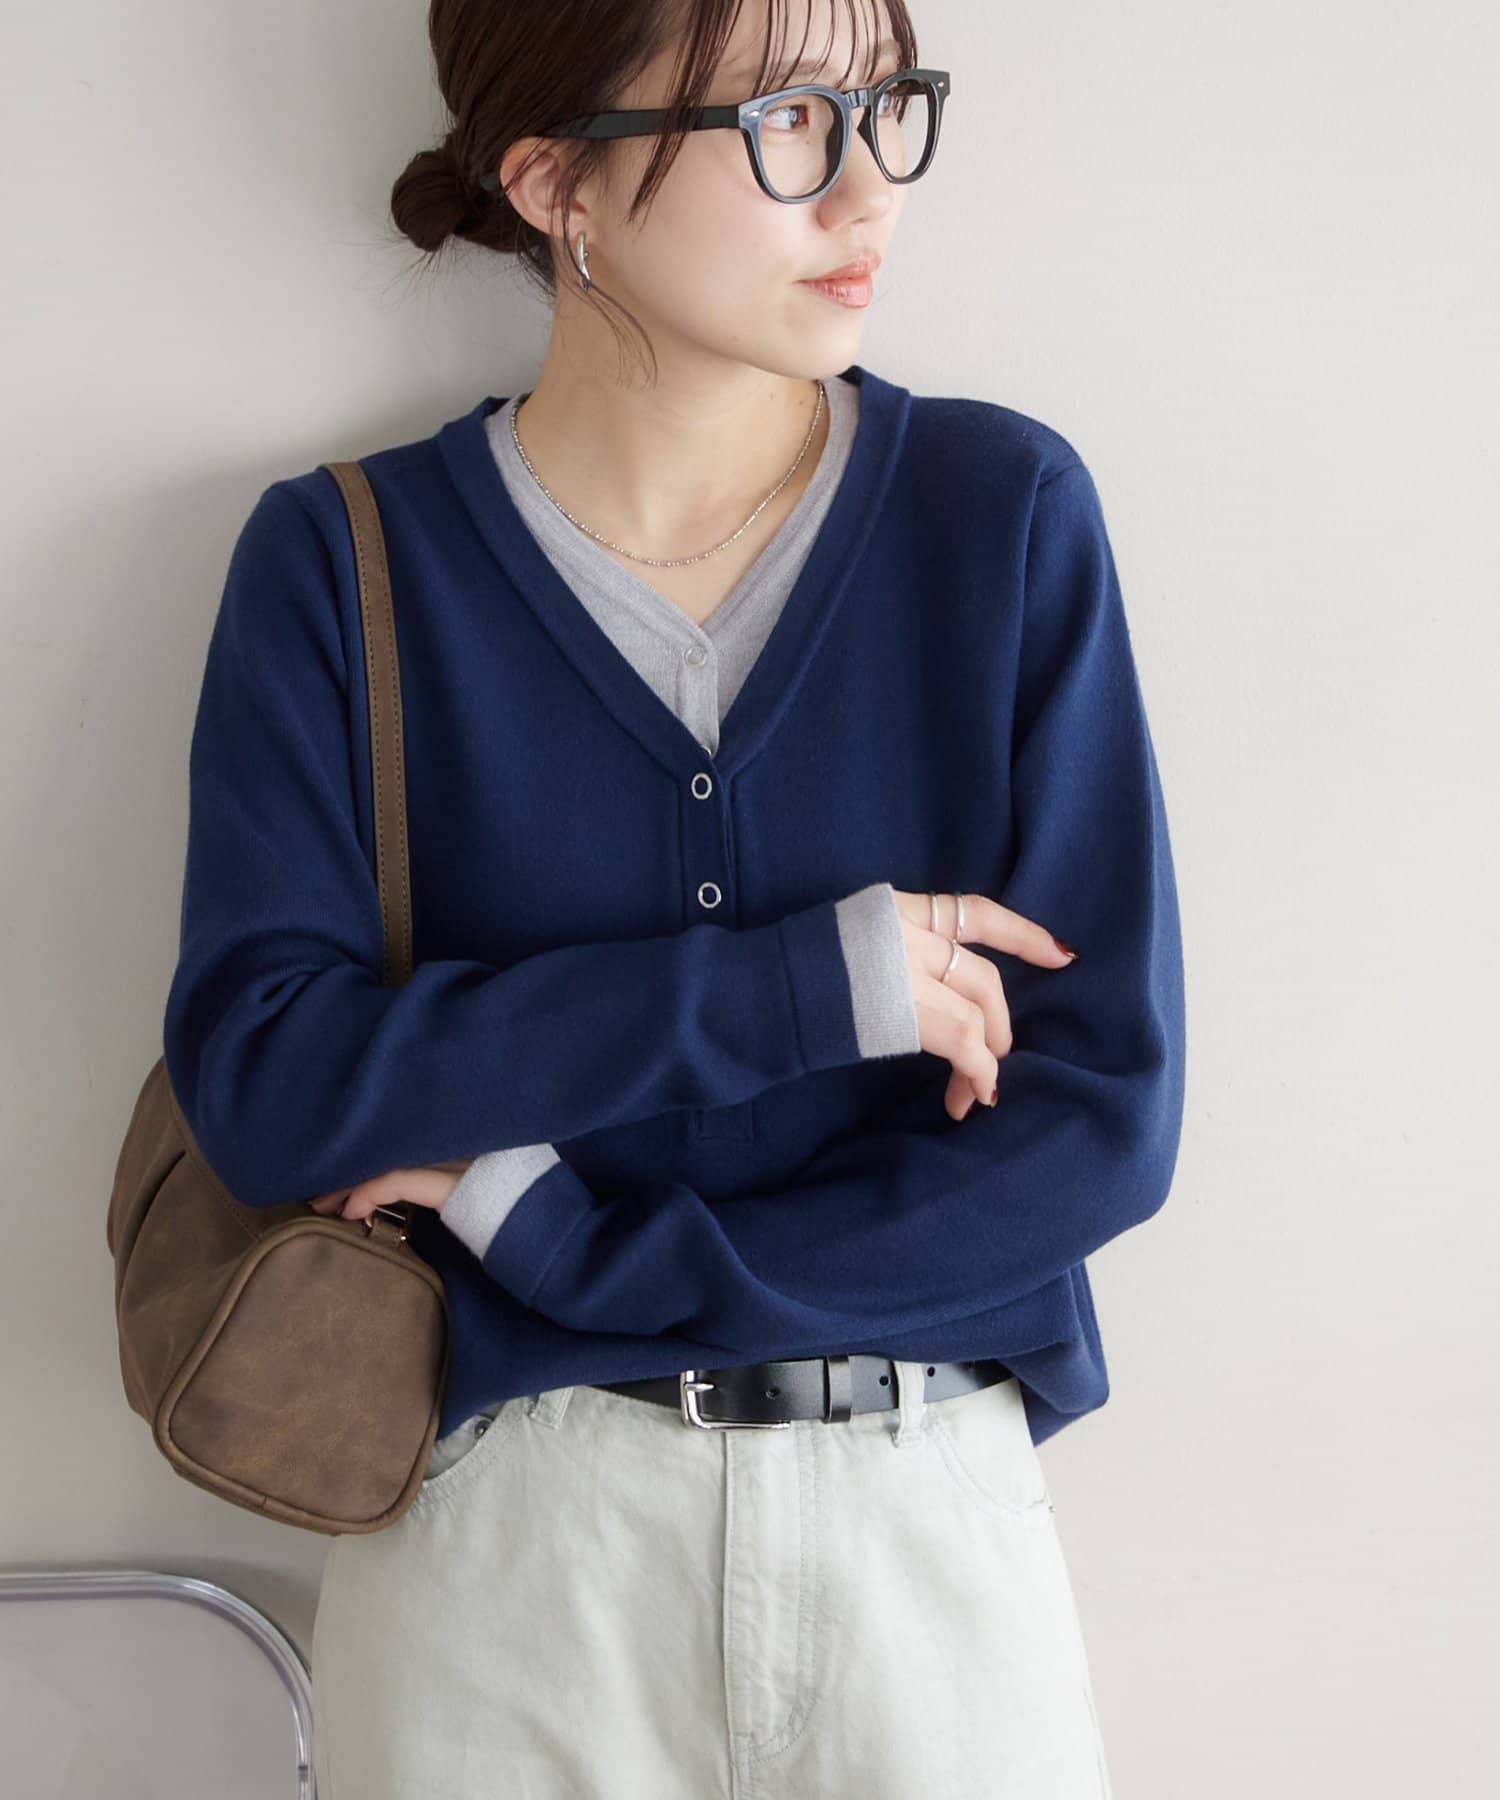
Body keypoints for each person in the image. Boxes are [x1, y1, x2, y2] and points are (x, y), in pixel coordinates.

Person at [162, 1, 1185, 1794]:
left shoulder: (998, 516)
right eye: (784, 119)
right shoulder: (345, 565)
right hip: (509, 1561)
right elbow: (270, 1081)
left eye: (885, 104)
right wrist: (814, 988)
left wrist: (564, 1241)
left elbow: (1098, 1125)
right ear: (556, 181)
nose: (866, 190)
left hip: (923, 1538)